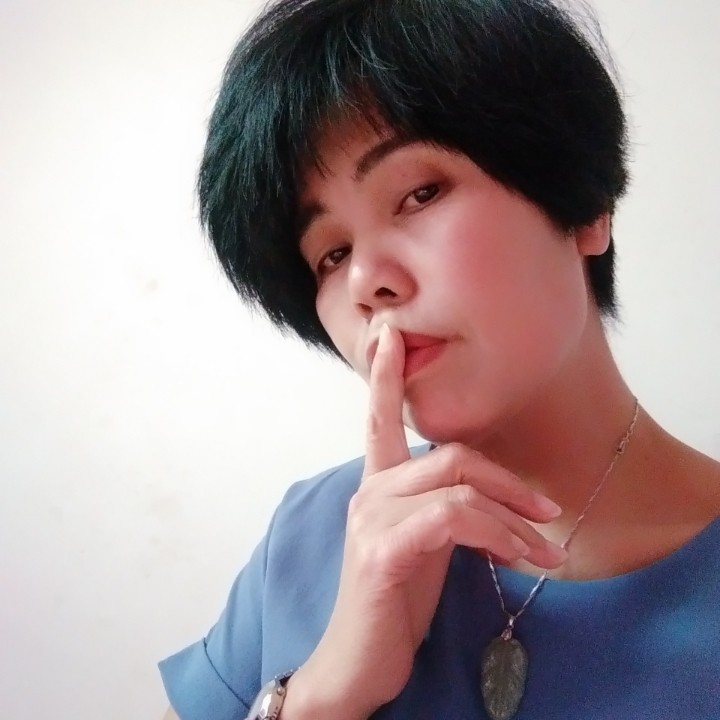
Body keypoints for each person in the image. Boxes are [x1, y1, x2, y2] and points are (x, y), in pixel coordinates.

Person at [159, 0, 720, 718]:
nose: (366, 282)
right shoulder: (311, 535)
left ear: (584, 205)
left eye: (419, 194)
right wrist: (324, 693)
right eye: (331, 253)